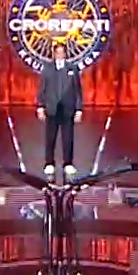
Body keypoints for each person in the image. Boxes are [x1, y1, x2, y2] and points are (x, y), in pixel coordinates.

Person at [36, 41, 84, 179]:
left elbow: (78, 91)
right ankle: (49, 163)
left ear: (65, 54)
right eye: (57, 52)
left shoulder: (72, 69)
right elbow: (42, 89)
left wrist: (79, 109)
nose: (60, 54)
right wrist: (40, 106)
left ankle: (68, 163)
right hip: (52, 108)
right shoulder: (47, 69)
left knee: (68, 137)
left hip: (68, 108)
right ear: (54, 54)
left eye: (62, 52)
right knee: (50, 137)